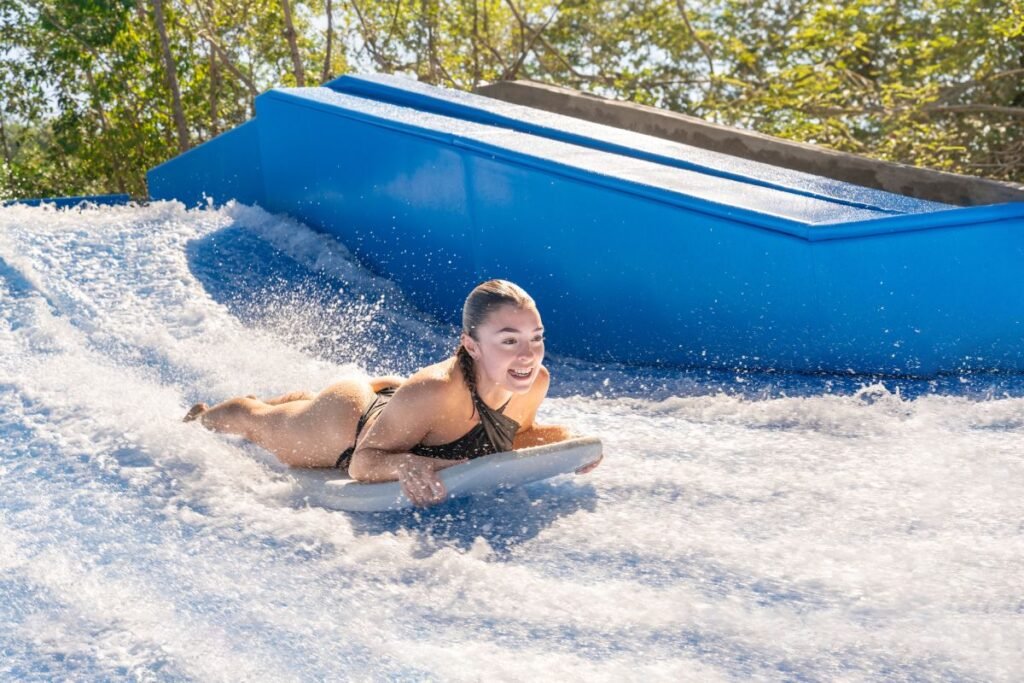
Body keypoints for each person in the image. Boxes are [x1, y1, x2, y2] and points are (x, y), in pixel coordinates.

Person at [184, 279, 601, 506]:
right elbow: (362, 463)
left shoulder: (533, 381)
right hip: (347, 424)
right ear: (472, 345)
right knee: (255, 423)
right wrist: (406, 464)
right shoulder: (437, 390)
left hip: (405, 413)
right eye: (509, 340)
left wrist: (570, 445)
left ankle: (294, 400)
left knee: (291, 412)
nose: (528, 354)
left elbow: (517, 436)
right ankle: (203, 416)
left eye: (536, 337)